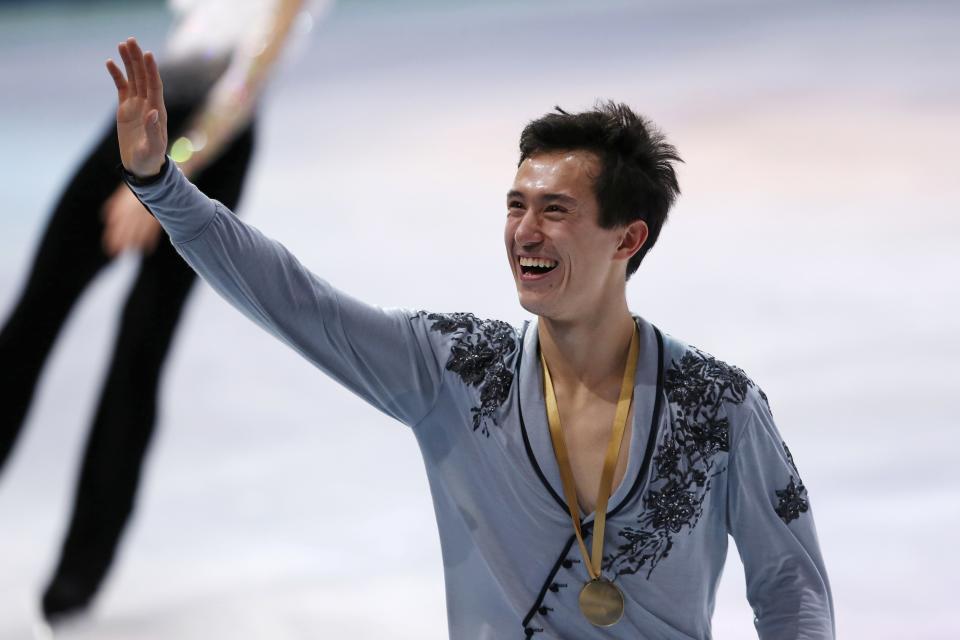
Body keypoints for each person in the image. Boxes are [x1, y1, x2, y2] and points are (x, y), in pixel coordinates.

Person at [110, 37, 835, 639]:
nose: (526, 231)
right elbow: (297, 303)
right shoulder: (454, 370)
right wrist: (160, 182)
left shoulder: (719, 405)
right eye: (516, 206)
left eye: (556, 210)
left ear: (628, 238)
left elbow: (791, 587)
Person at [0, 0, 324, 624]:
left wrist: (165, 178)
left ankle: (81, 568)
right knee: (30, 324)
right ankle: (82, 569)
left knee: (139, 350)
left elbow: (248, 78)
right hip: (146, 114)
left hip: (205, 145)